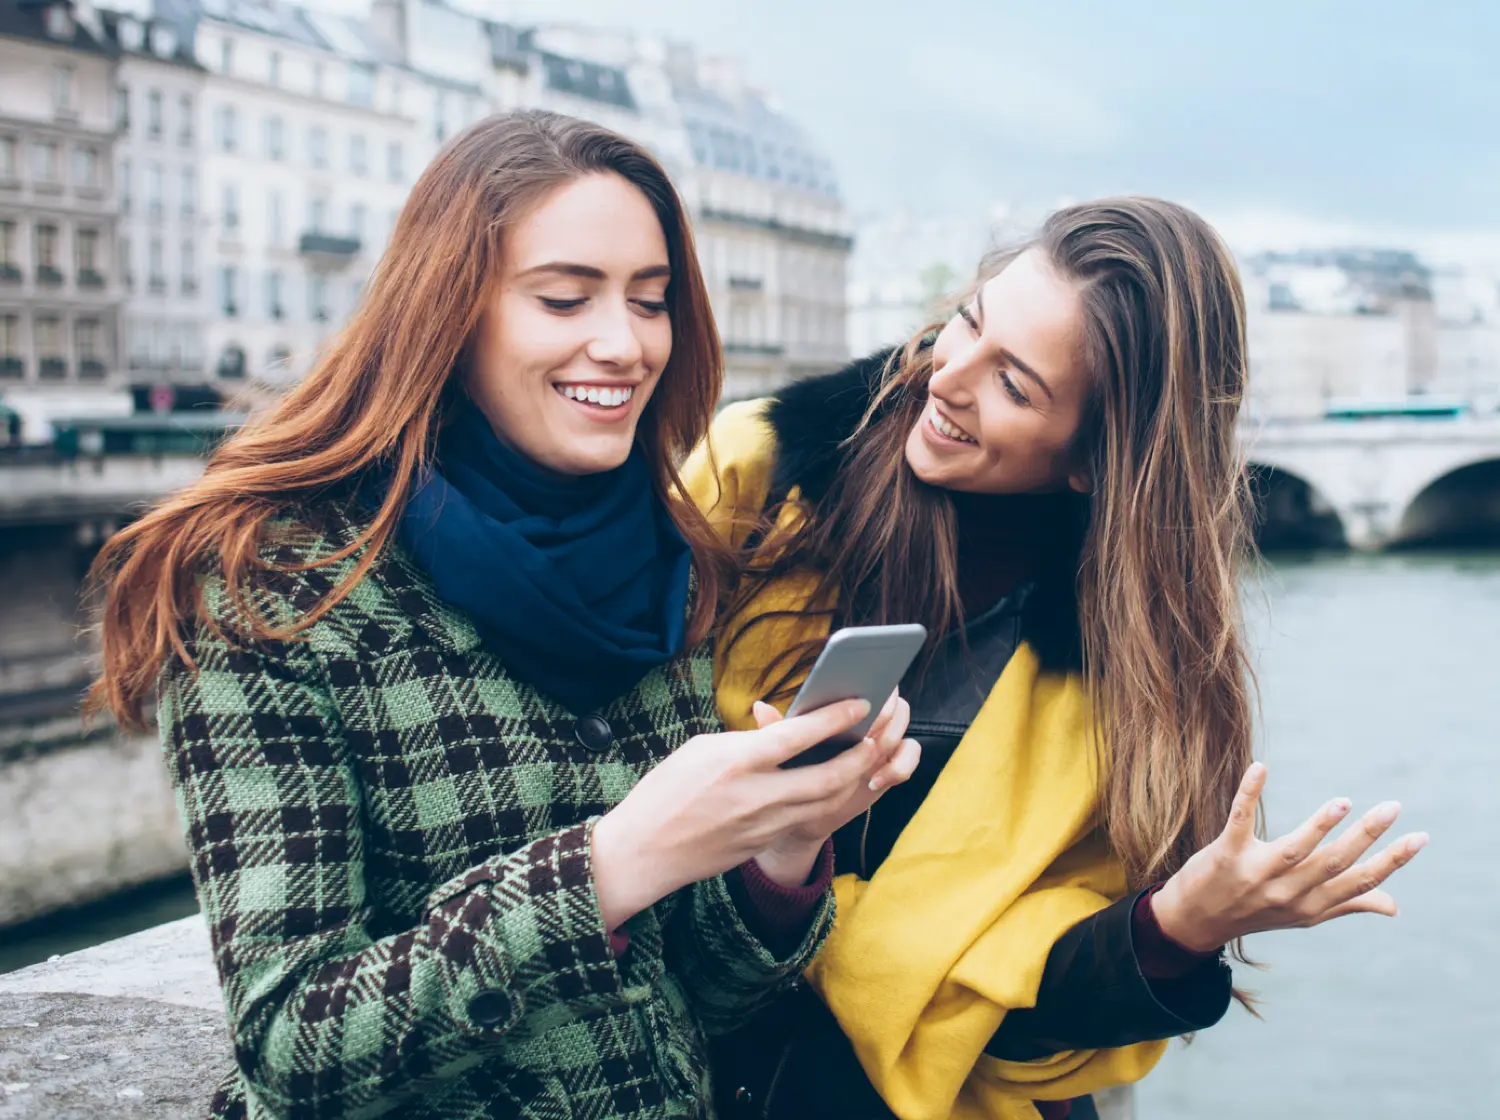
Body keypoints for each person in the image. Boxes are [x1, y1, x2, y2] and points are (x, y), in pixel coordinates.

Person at [86, 110, 917, 1120]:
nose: (624, 344)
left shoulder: (671, 557)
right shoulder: (271, 585)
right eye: (565, 298)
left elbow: (688, 998)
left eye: (651, 302)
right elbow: (293, 1047)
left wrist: (780, 851)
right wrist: (613, 864)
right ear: (450, 310)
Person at [683, 197, 1428, 1120]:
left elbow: (1019, 1024)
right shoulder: (760, 477)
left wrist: (1171, 931)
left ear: (1093, 461)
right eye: (966, 323)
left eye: (1015, 386)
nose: (945, 378)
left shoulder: (1136, 676)